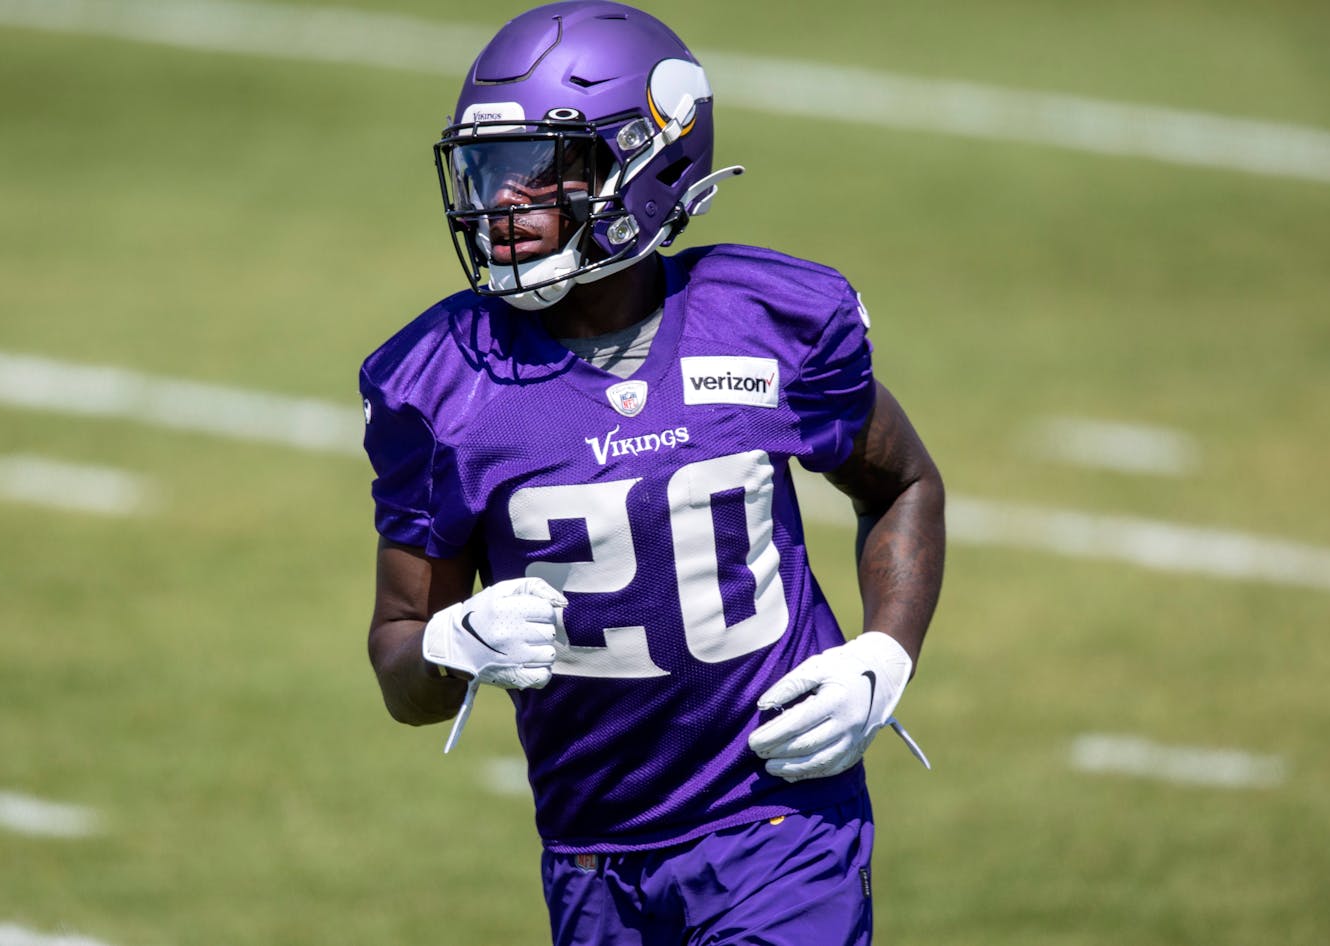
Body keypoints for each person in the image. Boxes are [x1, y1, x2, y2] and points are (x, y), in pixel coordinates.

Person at [360, 3, 945, 943]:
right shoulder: (440, 382)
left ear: (645, 162)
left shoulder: (770, 319)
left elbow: (903, 485)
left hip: (779, 826)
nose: (498, 205)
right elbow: (398, 656)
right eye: (485, 171)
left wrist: (886, 655)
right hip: (593, 854)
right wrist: (451, 644)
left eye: (536, 173)